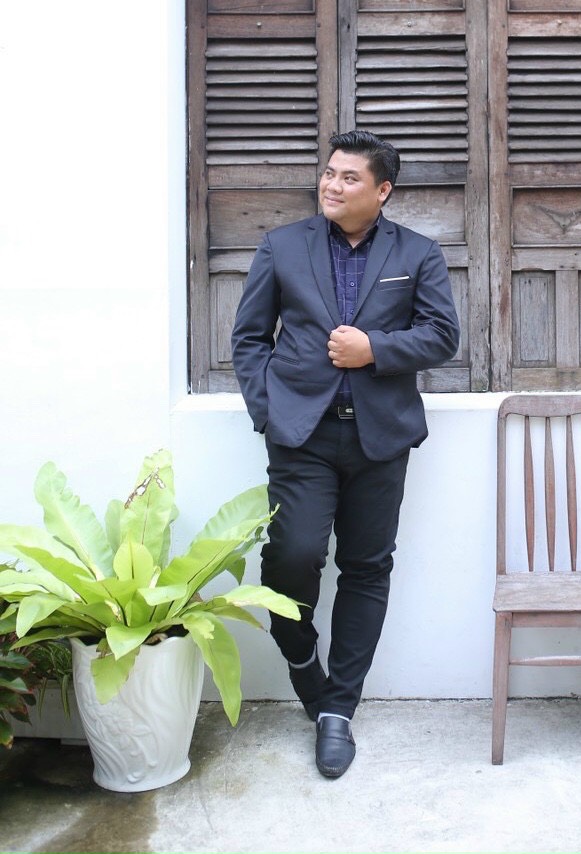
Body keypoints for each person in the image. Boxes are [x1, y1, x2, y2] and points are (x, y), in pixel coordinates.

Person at [231, 130, 460, 779]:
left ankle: (337, 709)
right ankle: (301, 654)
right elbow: (249, 338)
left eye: (349, 177)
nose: (332, 185)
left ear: (382, 191)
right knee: (294, 554)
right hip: (302, 435)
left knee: (366, 568)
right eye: (329, 173)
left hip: (380, 437)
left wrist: (374, 350)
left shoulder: (417, 253)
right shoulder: (282, 246)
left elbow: (442, 335)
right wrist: (269, 412)